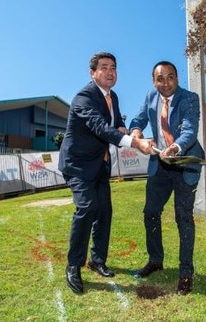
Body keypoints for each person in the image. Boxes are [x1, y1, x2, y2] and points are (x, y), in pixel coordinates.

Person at [58, 52, 155, 294]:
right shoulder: (83, 97)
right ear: (92, 73)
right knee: (87, 207)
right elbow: (99, 128)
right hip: (78, 165)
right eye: (104, 67)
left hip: (100, 165)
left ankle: (97, 260)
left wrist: (124, 128)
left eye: (113, 67)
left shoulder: (113, 97)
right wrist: (134, 144)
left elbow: (112, 126)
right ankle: (73, 265)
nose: (110, 71)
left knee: (104, 212)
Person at [129, 60, 205, 296]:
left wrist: (176, 147)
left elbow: (190, 131)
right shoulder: (151, 96)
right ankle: (155, 260)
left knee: (183, 218)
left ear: (177, 78)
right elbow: (138, 120)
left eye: (170, 77)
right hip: (160, 165)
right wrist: (136, 133)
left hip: (183, 163)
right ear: (154, 81)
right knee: (150, 212)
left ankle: (185, 273)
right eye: (160, 78)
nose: (166, 82)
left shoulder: (190, 98)